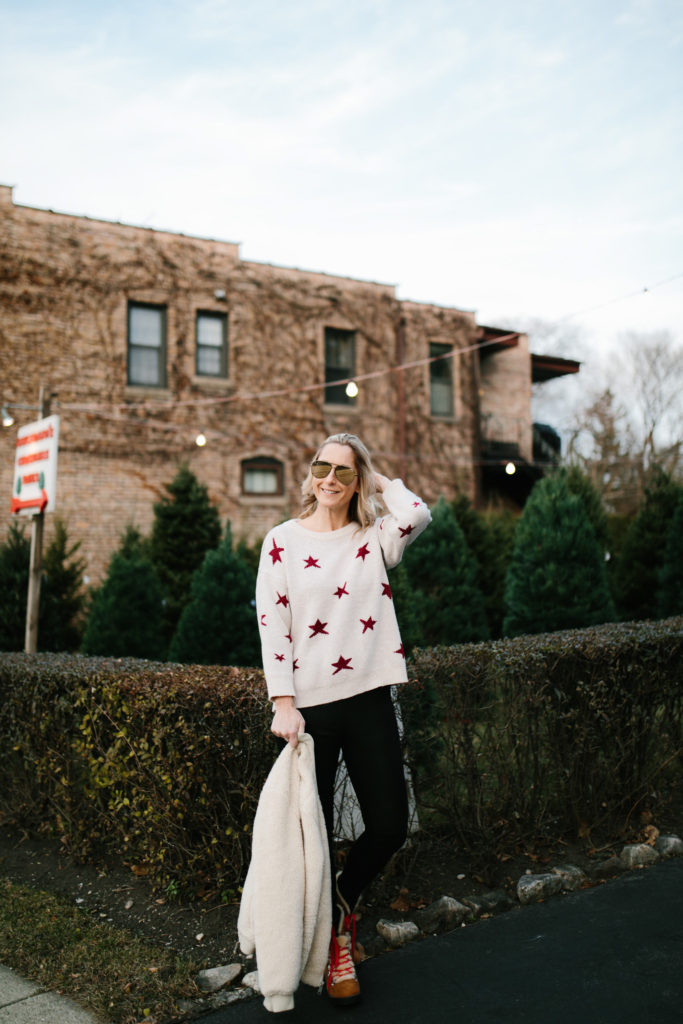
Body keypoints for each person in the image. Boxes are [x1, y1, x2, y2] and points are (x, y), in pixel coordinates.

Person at [255, 432, 431, 1006]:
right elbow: (273, 627)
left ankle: (341, 909)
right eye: (320, 466)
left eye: (343, 472)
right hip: (309, 710)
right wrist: (283, 703)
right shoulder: (280, 542)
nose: (329, 478)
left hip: (369, 696)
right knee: (317, 835)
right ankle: (332, 949)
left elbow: (416, 512)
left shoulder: (372, 538)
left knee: (388, 825)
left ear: (357, 481)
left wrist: (377, 478)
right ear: (308, 474)